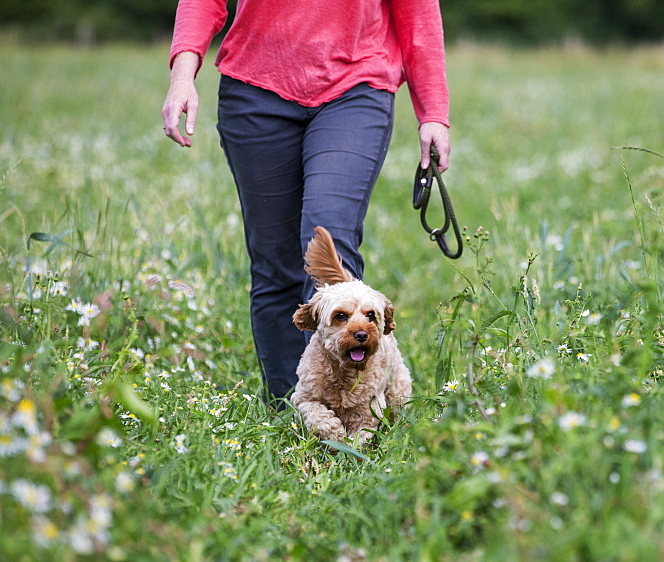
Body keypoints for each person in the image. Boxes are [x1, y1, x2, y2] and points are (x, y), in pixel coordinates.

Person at [161, 0, 450, 404]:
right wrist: (182, 76)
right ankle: (289, 407)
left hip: (356, 85)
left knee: (329, 247)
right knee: (274, 260)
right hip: (254, 88)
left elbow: (418, 17)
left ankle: (353, 409)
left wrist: (433, 113)